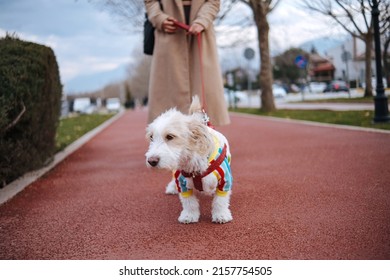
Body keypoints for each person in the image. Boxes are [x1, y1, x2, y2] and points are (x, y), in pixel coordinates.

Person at [144, 0, 230, 126]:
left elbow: (214, 1)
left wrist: (203, 20)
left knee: (204, 93)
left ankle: (204, 140)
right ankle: (169, 141)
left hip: (201, 33)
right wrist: (158, 17)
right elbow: (150, 2)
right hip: (168, 34)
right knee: (167, 114)